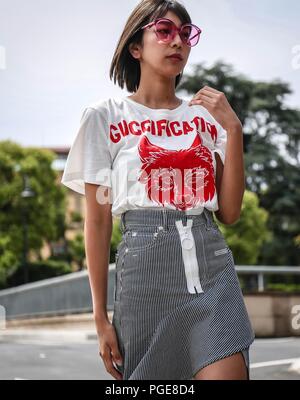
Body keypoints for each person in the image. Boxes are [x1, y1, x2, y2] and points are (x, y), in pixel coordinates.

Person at [61, 0, 255, 381]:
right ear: (136, 47)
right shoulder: (105, 116)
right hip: (143, 279)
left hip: (211, 269)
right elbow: (98, 222)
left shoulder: (205, 118)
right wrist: (100, 317)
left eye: (186, 34)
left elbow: (230, 212)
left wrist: (233, 130)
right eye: (164, 32)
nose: (177, 42)